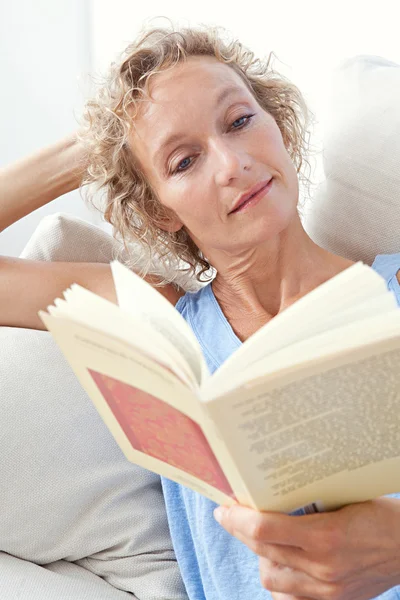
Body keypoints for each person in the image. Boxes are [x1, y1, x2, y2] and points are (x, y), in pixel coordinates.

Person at [1, 23, 400, 600]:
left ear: (278, 126)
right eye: (184, 161)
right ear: (160, 210)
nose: (232, 163)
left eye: (240, 121)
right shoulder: (160, 319)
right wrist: (91, 148)